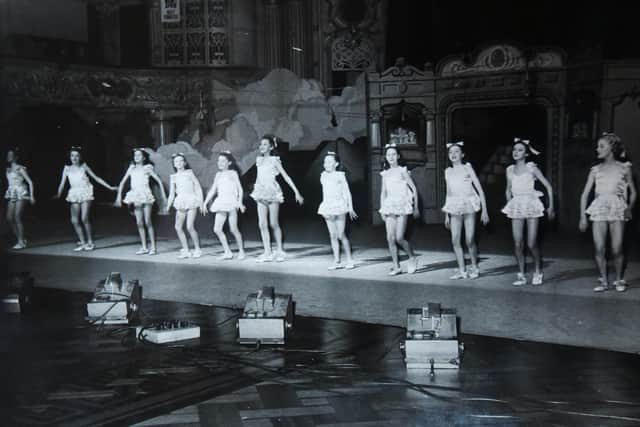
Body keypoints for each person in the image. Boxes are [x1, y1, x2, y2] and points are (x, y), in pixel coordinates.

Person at [579, 132, 636, 292]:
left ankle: (619, 279)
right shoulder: (595, 169)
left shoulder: (624, 168)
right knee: (599, 248)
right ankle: (604, 280)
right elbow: (584, 194)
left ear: (612, 148)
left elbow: (633, 191)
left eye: (601, 146)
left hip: (617, 208)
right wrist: (582, 216)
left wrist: (629, 208)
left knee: (617, 248)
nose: (598, 149)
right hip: (599, 208)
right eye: (597, 146)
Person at [502, 138, 554, 286]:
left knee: (531, 243)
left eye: (520, 150)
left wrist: (551, 207)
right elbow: (508, 189)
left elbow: (548, 187)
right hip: (517, 205)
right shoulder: (509, 170)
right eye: (514, 150)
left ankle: (538, 271)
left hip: (531, 204)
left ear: (526, 154)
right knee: (518, 243)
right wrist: (509, 204)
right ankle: (521, 274)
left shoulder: (532, 168)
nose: (516, 152)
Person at [250, 134, 303, 262]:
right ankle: (267, 251)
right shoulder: (259, 160)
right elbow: (258, 177)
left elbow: (286, 176)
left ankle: (279, 250)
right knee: (262, 224)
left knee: (273, 223)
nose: (261, 146)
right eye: (261, 144)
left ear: (271, 147)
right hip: (260, 192)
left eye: (265, 144)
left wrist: (296, 192)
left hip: (272, 192)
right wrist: (255, 189)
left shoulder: (275, 160)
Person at [442, 141, 489, 279]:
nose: (453, 154)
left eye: (456, 152)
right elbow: (448, 193)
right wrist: (446, 214)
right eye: (451, 152)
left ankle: (475, 266)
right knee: (455, 240)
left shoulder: (467, 168)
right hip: (454, 206)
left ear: (462, 154)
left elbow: (479, 189)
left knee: (469, 239)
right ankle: (462, 270)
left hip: (469, 204)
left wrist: (485, 210)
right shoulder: (448, 171)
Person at [55, 146, 116, 251]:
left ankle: (90, 242)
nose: (74, 158)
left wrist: (109, 187)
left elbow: (96, 178)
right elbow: (62, 183)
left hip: (85, 192)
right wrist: (58, 194)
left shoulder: (84, 167)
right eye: (72, 156)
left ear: (80, 157)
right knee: (74, 220)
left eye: (77, 156)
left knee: (84, 218)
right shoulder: (67, 168)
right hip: (74, 193)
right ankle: (82, 242)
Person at [115, 148, 167, 255]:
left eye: (139, 155)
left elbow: (158, 181)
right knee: (139, 222)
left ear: (143, 158)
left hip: (145, 195)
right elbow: (122, 182)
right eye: (135, 155)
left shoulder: (147, 168)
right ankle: (144, 247)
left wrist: (163, 195)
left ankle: (153, 247)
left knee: (148, 221)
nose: (136, 157)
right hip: (135, 195)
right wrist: (118, 197)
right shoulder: (131, 168)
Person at [379, 143, 419, 276]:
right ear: (386, 157)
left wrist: (416, 207)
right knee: (390, 238)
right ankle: (396, 266)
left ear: (398, 156)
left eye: (393, 154)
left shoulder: (403, 171)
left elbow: (413, 189)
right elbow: (383, 193)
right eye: (388, 154)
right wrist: (382, 209)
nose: (391, 157)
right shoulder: (385, 173)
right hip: (390, 206)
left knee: (399, 237)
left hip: (402, 205)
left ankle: (412, 257)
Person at [203, 151, 246, 260]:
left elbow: (240, 189)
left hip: (231, 202)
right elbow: (213, 190)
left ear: (229, 162)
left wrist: (240, 202)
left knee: (233, 229)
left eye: (223, 161)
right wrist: (205, 202)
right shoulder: (218, 175)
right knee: (217, 229)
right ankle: (227, 252)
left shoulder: (233, 173)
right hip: (221, 202)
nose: (220, 163)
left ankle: (241, 251)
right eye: (219, 161)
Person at [317, 151, 357, 270]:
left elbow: (347, 192)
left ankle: (350, 259)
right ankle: (337, 260)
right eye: (325, 162)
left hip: (339, 206)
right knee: (332, 235)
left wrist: (350, 207)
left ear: (336, 164)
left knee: (341, 234)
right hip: (328, 206)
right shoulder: (323, 175)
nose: (326, 164)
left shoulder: (340, 175)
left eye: (329, 162)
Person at [165, 153, 203, 258]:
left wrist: (201, 201)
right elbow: (172, 193)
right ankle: (186, 250)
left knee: (190, 226)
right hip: (181, 201)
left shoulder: (189, 173)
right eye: (176, 161)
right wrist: (168, 205)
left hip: (191, 200)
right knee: (178, 227)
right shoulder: (173, 177)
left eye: (181, 161)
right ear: (174, 164)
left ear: (185, 163)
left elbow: (198, 187)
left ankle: (197, 249)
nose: (179, 163)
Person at [5, 148, 35, 249]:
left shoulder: (20, 168)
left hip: (21, 192)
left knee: (17, 216)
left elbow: (30, 182)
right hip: (12, 192)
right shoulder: (8, 169)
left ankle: (21, 242)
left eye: (11, 155)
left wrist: (32, 196)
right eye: (8, 155)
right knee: (9, 218)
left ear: (15, 157)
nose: (9, 156)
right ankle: (21, 239)